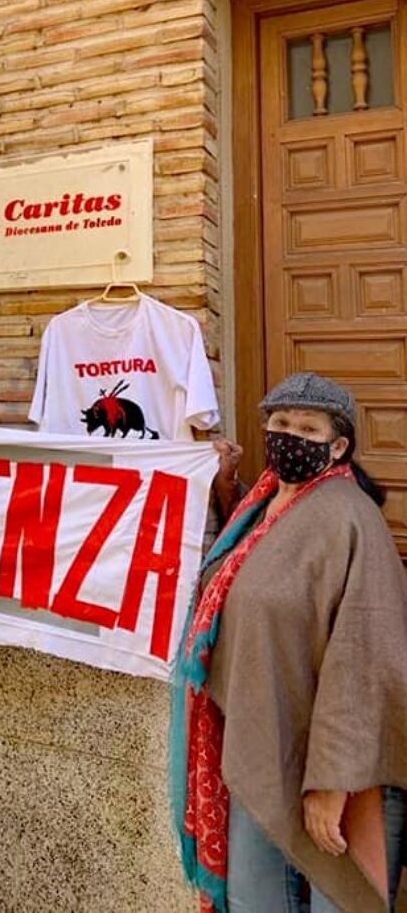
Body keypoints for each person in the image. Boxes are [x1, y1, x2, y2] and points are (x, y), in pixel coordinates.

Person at [170, 372, 406, 913]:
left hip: (338, 769)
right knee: (254, 900)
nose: (290, 436)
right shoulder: (259, 511)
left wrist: (333, 783)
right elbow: (256, 590)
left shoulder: (350, 519)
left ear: (337, 445)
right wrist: (222, 488)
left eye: (308, 427)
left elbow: (366, 658)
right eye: (280, 423)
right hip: (264, 741)